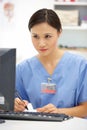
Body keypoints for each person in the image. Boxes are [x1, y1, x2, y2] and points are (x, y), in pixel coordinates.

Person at [14, 8, 87, 118]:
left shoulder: (80, 66)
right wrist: (15, 106)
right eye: (35, 36)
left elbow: (85, 108)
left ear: (59, 32)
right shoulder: (22, 69)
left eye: (47, 36)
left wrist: (59, 112)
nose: (41, 43)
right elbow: (11, 104)